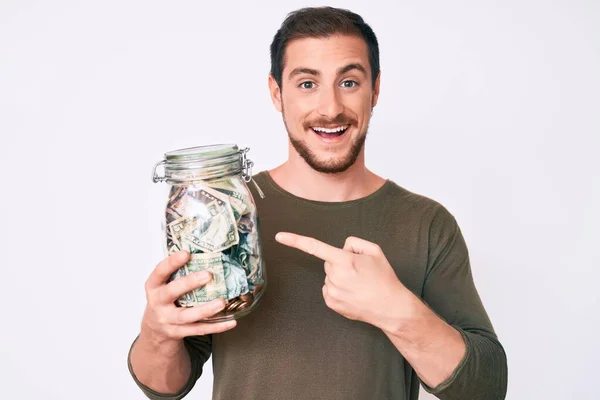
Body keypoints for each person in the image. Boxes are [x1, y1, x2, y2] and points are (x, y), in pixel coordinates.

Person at [127, 6, 508, 400]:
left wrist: (396, 310)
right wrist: (157, 330)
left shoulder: (426, 224)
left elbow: (485, 388)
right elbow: (164, 385)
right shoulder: (226, 209)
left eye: (349, 82)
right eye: (307, 84)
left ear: (375, 89)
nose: (330, 108)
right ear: (277, 93)